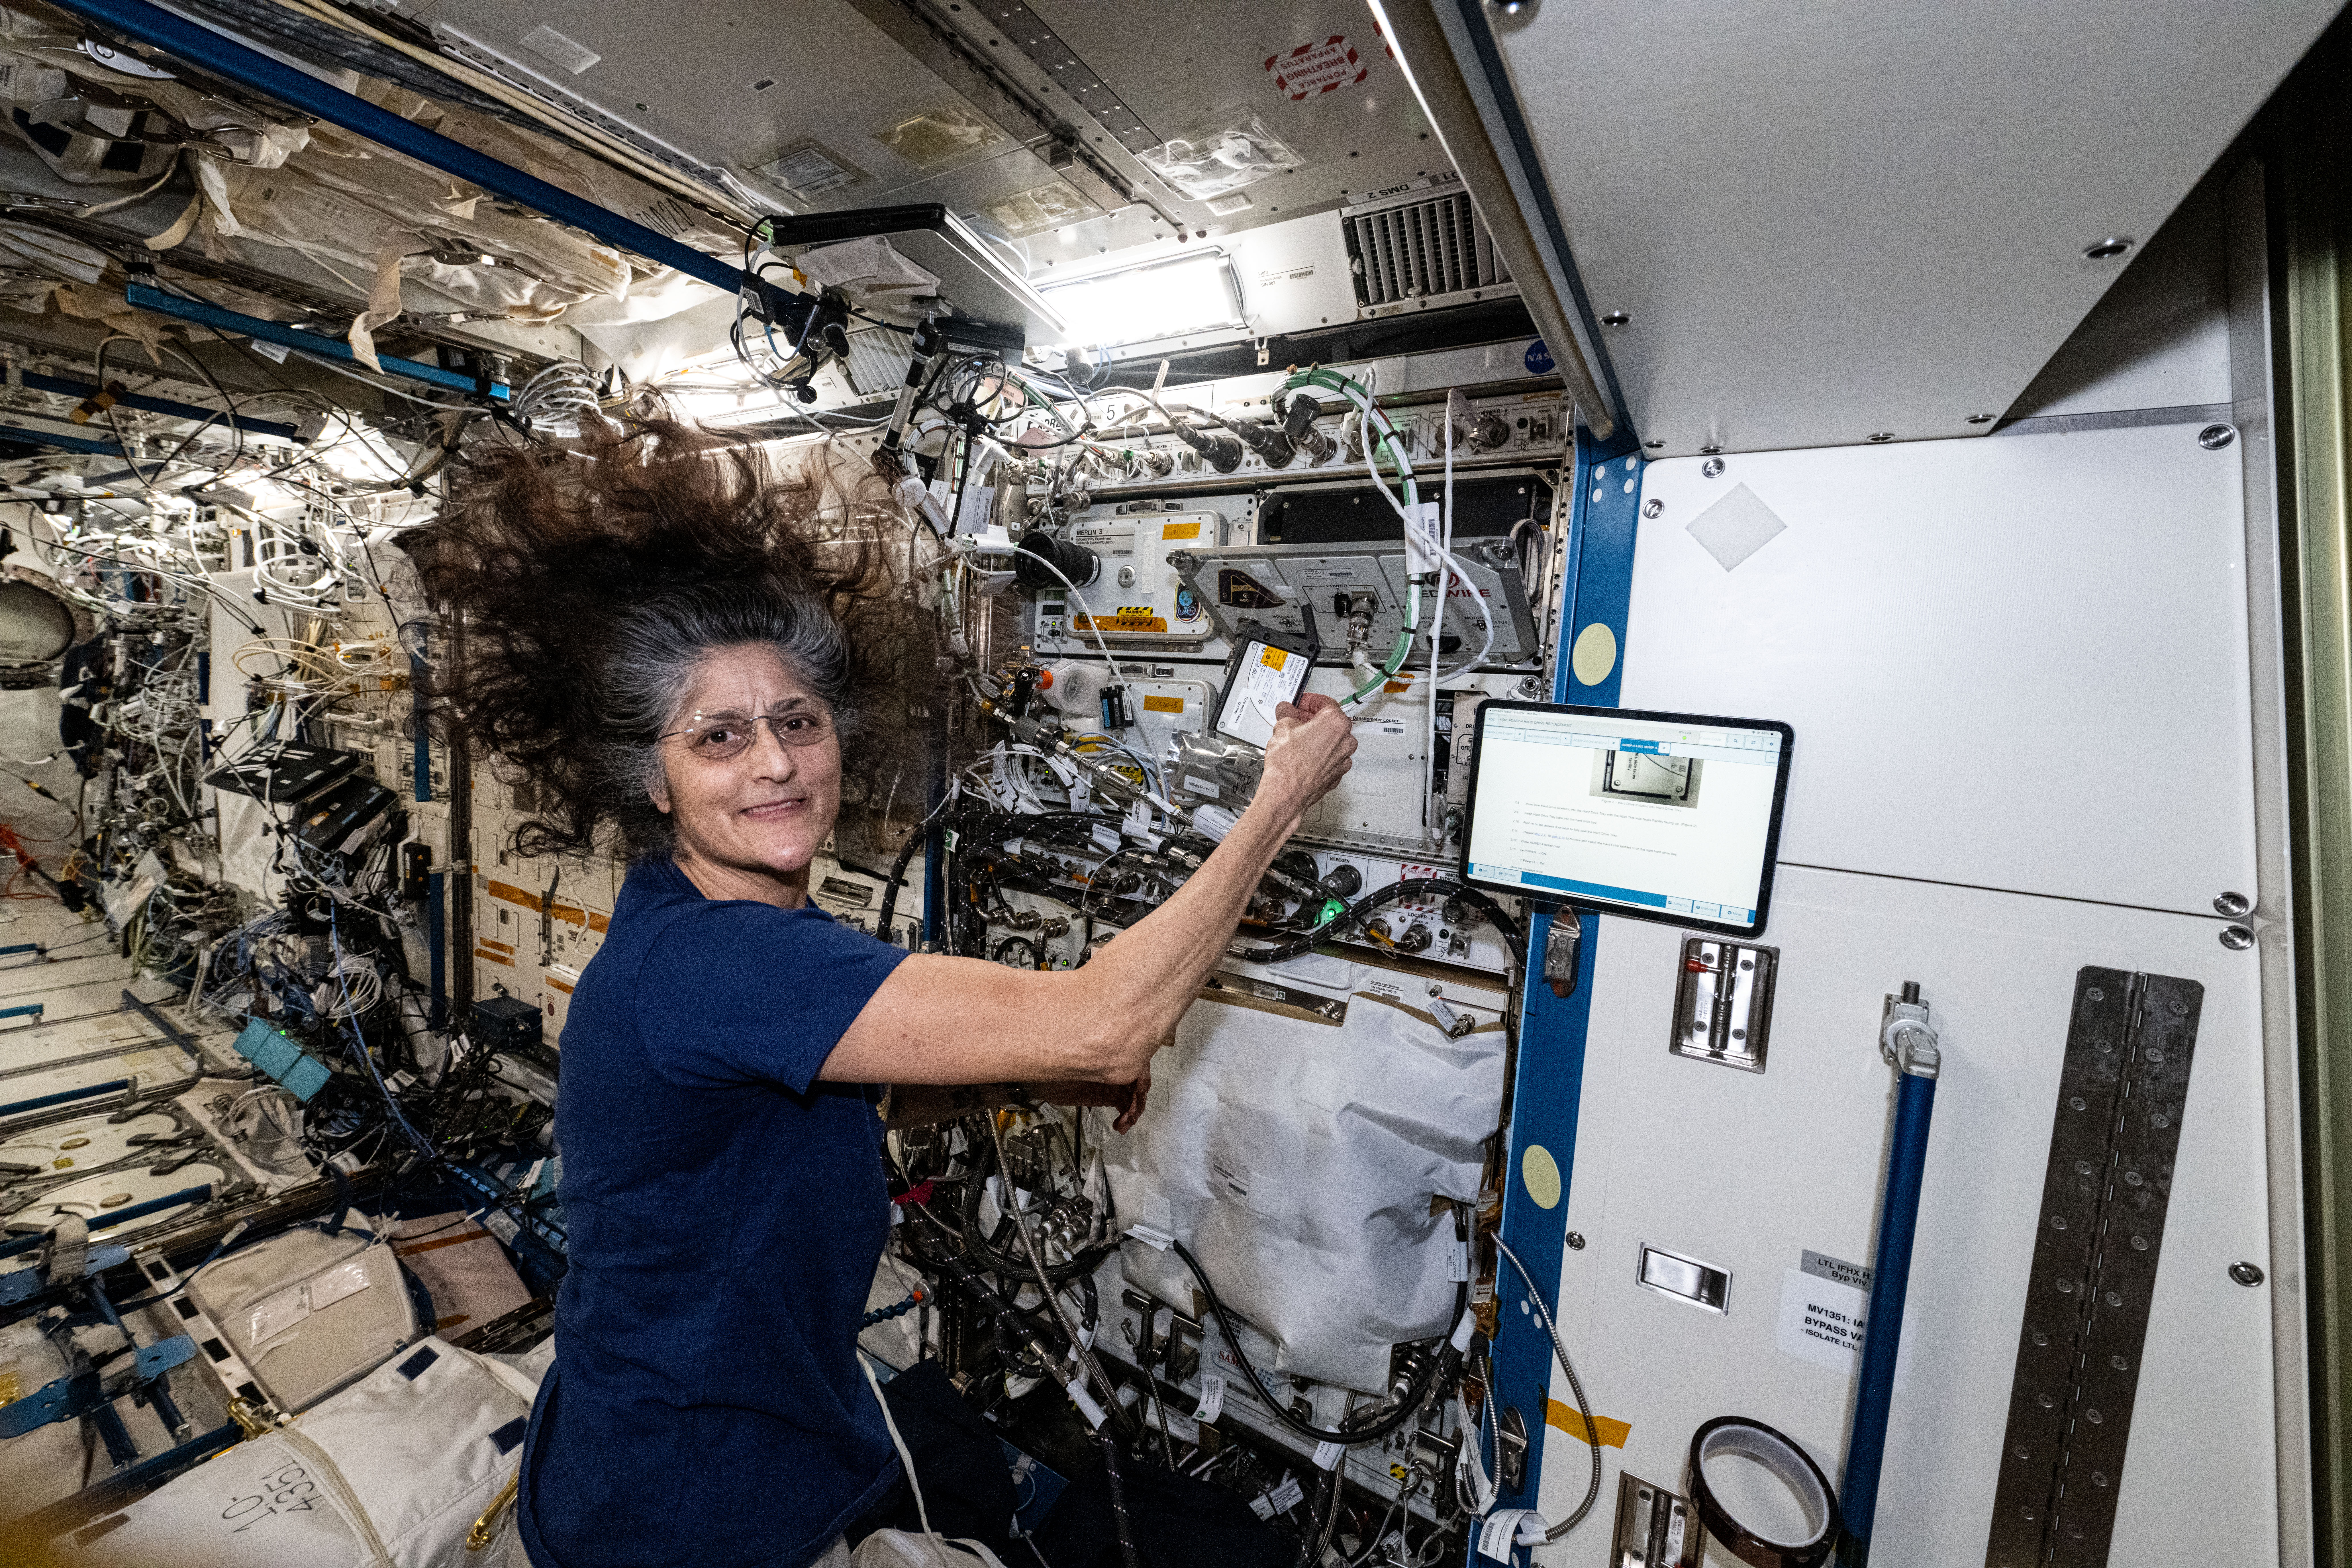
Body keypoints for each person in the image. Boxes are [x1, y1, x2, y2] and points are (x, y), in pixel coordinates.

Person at [410, 412, 1357, 1568]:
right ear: (649, 781)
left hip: (668, 1461)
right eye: (718, 737)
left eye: (797, 721)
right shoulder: (723, 961)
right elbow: (1110, 1020)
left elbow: (803, 1107)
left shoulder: (700, 927)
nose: (775, 760)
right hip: (689, 1518)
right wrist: (1282, 799)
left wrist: (1027, 1076)